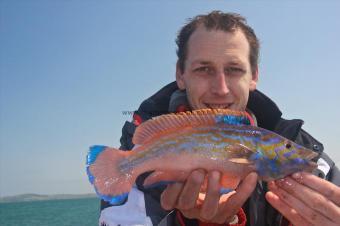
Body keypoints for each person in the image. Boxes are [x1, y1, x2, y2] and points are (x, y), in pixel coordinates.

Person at [99, 11, 340, 226]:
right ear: (180, 75)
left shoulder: (314, 160)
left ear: (254, 76)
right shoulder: (135, 160)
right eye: (204, 69)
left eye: (234, 69)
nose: (221, 89)